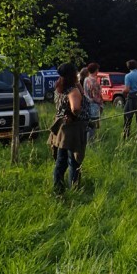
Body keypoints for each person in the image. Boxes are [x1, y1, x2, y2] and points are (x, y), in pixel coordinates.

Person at [49, 62, 89, 193]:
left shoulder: (59, 87)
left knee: (61, 160)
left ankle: (58, 187)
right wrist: (74, 115)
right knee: (74, 161)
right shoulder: (72, 90)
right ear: (73, 74)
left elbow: (80, 93)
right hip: (72, 129)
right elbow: (75, 108)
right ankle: (74, 190)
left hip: (61, 128)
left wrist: (78, 84)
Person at [83, 62, 103, 142]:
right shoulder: (94, 81)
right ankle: (91, 143)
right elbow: (96, 96)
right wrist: (101, 104)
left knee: (88, 125)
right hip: (94, 106)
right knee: (93, 126)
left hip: (86, 104)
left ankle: (86, 142)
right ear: (96, 70)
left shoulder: (86, 79)